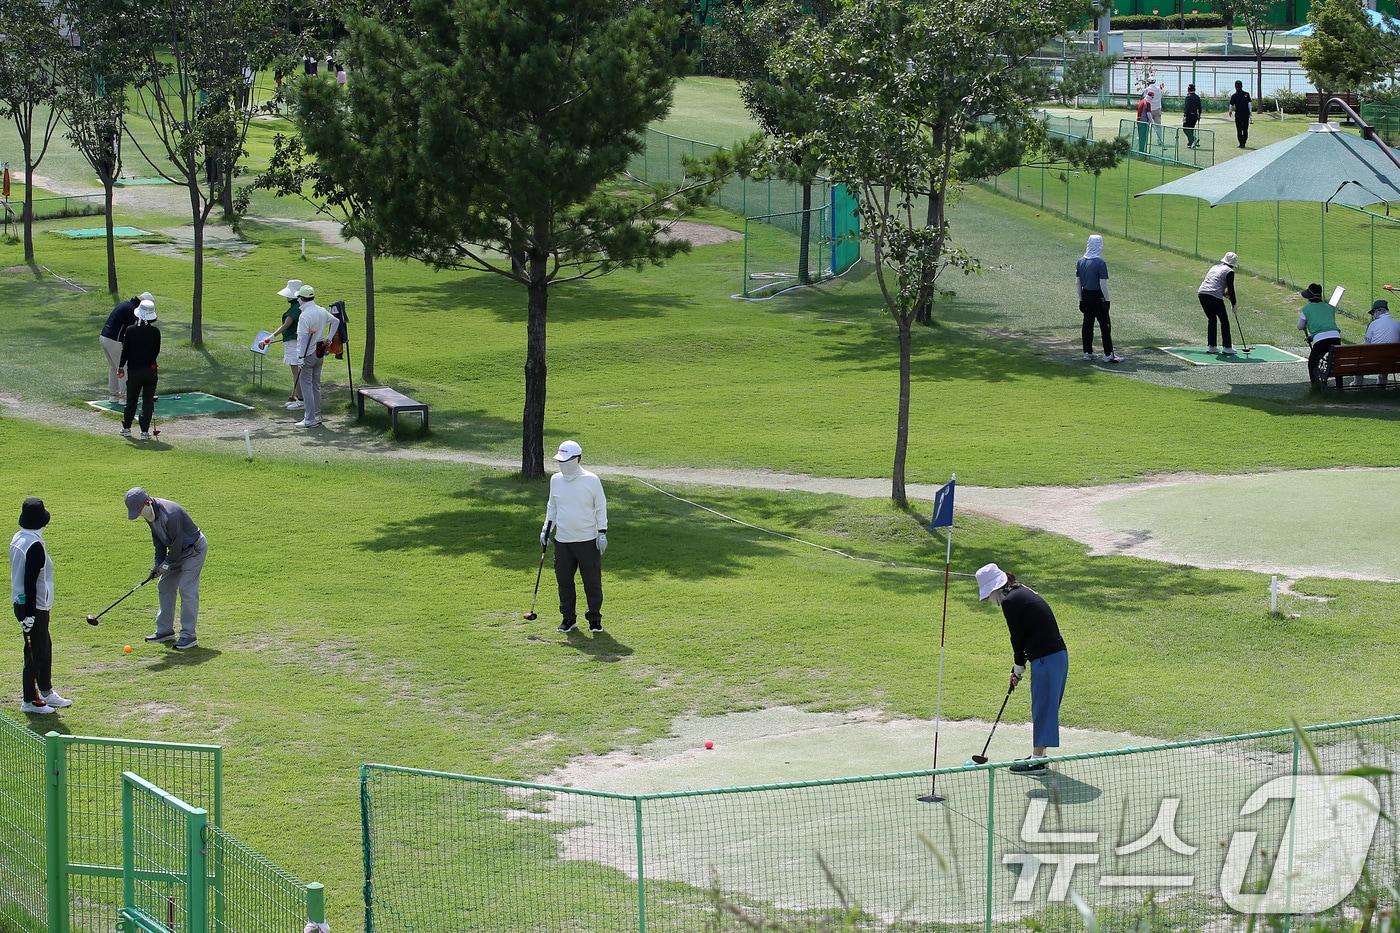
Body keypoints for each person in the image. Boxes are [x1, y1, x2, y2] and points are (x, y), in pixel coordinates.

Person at [977, 562, 1068, 774]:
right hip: (1054, 657)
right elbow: (1028, 634)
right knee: (1044, 707)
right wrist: (1019, 665)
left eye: (989, 596)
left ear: (994, 589)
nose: (992, 601)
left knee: (1043, 708)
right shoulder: (1020, 592)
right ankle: (1039, 756)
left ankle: (1037, 761)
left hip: (1048, 659)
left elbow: (1017, 637)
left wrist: (1018, 665)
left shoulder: (1010, 602)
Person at [9, 498, 72, 715]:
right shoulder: (33, 545)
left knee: (44, 647)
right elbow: (30, 581)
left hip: (26, 604)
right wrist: (29, 614)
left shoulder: (20, 537)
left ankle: (46, 691)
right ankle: (30, 700)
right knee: (35, 652)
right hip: (33, 607)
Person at [125, 488, 206, 650]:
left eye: (139, 510)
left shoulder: (170, 515)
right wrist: (157, 565)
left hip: (194, 550)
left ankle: (188, 636)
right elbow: (159, 541)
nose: (140, 514)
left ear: (147, 502)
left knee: (186, 588)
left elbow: (175, 550)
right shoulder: (149, 514)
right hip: (177, 551)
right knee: (165, 585)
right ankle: (165, 631)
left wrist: (165, 566)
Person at [541, 440, 608, 634]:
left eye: (567, 460)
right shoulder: (555, 480)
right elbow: (552, 506)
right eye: (560, 461)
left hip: (587, 541)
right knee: (564, 583)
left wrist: (602, 532)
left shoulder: (591, 480)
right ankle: (568, 618)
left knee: (592, 583)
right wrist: (546, 529)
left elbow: (600, 507)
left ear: (577, 459)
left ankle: (594, 619)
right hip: (563, 542)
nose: (563, 464)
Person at [259, 279, 305, 412]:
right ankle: (298, 397)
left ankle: (301, 400)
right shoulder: (298, 306)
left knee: (296, 371)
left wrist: (270, 338)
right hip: (295, 342)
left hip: (293, 343)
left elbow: (286, 325)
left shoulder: (296, 308)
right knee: (297, 371)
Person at [118, 299, 160, 440]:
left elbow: (126, 351)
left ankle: (127, 428)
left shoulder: (130, 330)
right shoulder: (155, 332)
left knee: (132, 400)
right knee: (148, 401)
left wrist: (120, 367)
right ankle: (144, 432)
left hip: (134, 371)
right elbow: (156, 351)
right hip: (150, 371)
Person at [1075, 235, 1121, 363]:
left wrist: (1081, 300)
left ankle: (1087, 352)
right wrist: (1107, 300)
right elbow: (1103, 284)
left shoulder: (1080, 261)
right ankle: (1108, 354)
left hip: (1086, 296)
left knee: (1087, 324)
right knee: (1105, 326)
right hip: (1098, 297)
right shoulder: (1100, 263)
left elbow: (1078, 283)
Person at [293, 284, 334, 429]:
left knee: (307, 386)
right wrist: (329, 338)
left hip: (308, 354)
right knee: (315, 385)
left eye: (298, 298)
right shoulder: (321, 310)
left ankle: (309, 419)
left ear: (301, 299)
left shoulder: (304, 315)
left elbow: (302, 340)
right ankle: (317, 415)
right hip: (319, 352)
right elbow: (336, 321)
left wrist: (300, 358)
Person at [100, 291, 150, 400]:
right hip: (113, 339)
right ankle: (125, 397)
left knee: (114, 367)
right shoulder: (132, 310)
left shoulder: (126, 304)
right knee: (123, 367)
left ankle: (113, 396)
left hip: (104, 337)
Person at [1298, 283, 1342, 388]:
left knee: (1312, 363)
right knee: (1336, 362)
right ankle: (1339, 387)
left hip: (1321, 340)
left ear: (1309, 297)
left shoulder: (1306, 309)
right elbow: (1326, 327)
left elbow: (1300, 326)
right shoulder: (1329, 307)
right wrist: (1313, 336)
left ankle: (1315, 387)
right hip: (1336, 337)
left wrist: (1311, 333)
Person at [1197, 252, 1239, 355]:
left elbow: (1215, 284)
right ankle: (1227, 347)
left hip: (1202, 293)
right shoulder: (1230, 271)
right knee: (1224, 321)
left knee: (1212, 319)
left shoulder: (1215, 267)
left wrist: (1225, 295)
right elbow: (1231, 290)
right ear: (1233, 264)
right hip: (1213, 296)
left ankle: (1212, 347)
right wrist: (1234, 304)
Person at [1362, 299, 1400, 386]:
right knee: (1387, 354)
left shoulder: (1373, 324)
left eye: (1373, 312)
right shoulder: (1397, 323)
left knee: (1360, 358)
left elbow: (1367, 344)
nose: (1373, 315)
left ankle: (1357, 383)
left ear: (1378, 311)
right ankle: (1382, 384)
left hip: (1375, 361)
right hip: (1393, 361)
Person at [1229, 80, 1252, 148]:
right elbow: (1249, 104)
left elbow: (1231, 105)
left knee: (1239, 129)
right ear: (1242, 86)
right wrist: (1250, 112)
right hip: (1245, 114)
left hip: (1238, 114)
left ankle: (1241, 143)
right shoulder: (1246, 94)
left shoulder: (1234, 95)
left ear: (1235, 87)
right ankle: (1244, 142)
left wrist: (1230, 111)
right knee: (1245, 129)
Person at [1183, 84, 1202, 149]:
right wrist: (1199, 115)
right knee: (1191, 129)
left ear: (1188, 89)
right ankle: (1190, 143)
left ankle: (1194, 139)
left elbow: (1187, 108)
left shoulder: (1188, 97)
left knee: (1185, 129)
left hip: (1189, 115)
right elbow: (1200, 107)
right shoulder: (1197, 97)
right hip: (1195, 116)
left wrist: (1185, 116)